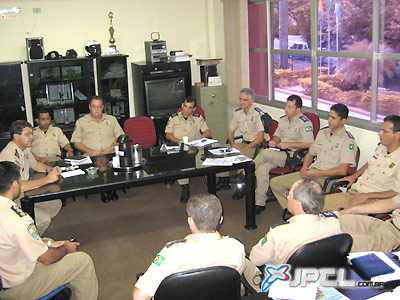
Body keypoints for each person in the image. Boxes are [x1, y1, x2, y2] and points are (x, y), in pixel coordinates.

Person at [0, 161, 98, 300]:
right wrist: (66, 248)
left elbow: (14, 241)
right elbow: (47, 258)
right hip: (18, 288)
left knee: (50, 242)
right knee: (82, 261)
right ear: (14, 185)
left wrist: (49, 244)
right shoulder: (19, 220)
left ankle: (58, 287)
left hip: (6, 274)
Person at [132, 193, 246, 300]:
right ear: (221, 219)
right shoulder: (236, 248)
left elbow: (139, 297)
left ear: (190, 222)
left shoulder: (172, 253)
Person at [245, 179, 341, 289]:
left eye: (289, 195)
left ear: (297, 204)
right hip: (320, 281)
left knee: (245, 261)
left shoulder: (279, 234)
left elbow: (255, 258)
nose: (287, 197)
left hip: (284, 285)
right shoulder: (335, 223)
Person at [270, 104, 357, 215]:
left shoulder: (348, 141)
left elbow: (343, 171)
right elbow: (310, 153)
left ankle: (303, 215)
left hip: (327, 178)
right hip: (311, 172)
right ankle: (295, 212)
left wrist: (317, 173)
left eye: (333, 118)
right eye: (329, 116)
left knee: (303, 194)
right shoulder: (323, 133)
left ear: (343, 120)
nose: (329, 120)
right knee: (275, 183)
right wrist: (304, 167)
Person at [323, 115, 400, 212]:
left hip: (374, 201)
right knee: (320, 204)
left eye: (384, 131)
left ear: (397, 134)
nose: (379, 134)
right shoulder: (382, 147)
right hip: (356, 192)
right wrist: (353, 176)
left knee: (344, 218)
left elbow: (396, 193)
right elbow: (370, 163)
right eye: (380, 130)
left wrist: (368, 196)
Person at [253, 94, 314, 215]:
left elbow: (309, 143)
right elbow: (277, 135)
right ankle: (259, 202)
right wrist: (274, 141)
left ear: (298, 109)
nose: (286, 109)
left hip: (293, 156)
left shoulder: (305, 123)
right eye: (286, 106)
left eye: (290, 107)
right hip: (279, 153)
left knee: (264, 153)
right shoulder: (283, 119)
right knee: (262, 168)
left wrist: (287, 144)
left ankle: (245, 172)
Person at [0, 120, 62, 234]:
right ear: (16, 137)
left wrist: (50, 169)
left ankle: (31, 233)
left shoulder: (25, 149)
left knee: (55, 203)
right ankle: (30, 241)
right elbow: (20, 186)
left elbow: (36, 165)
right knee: (44, 219)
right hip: (11, 200)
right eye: (27, 134)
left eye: (31, 133)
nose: (32, 137)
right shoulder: (9, 155)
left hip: (25, 193)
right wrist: (47, 179)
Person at [217, 88, 269, 200]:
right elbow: (230, 131)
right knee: (222, 150)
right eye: (240, 99)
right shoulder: (238, 113)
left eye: (245, 100)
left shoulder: (257, 114)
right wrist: (232, 144)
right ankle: (224, 179)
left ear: (251, 101)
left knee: (241, 155)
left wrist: (244, 148)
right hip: (244, 143)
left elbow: (260, 138)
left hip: (258, 146)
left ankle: (242, 187)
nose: (241, 102)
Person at [165, 96, 211, 203]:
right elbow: (168, 135)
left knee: (215, 148)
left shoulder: (198, 117)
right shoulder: (173, 118)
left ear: (194, 109)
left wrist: (200, 141)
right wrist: (179, 141)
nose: (186, 109)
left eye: (190, 107)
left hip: (195, 146)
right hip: (179, 146)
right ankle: (185, 186)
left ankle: (223, 179)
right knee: (183, 158)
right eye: (185, 106)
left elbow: (207, 132)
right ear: (182, 105)